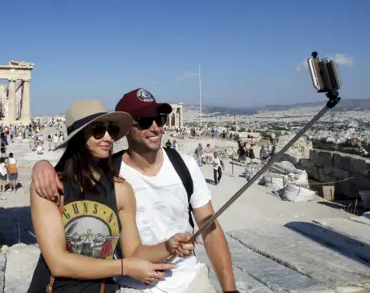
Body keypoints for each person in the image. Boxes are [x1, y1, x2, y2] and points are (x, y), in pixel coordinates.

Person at [33, 89, 238, 293]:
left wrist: (169, 247)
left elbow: (135, 250)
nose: (156, 127)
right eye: (145, 121)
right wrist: (41, 165)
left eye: (111, 131)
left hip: (183, 279)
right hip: (125, 284)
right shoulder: (61, 183)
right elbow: (58, 262)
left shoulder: (123, 185)